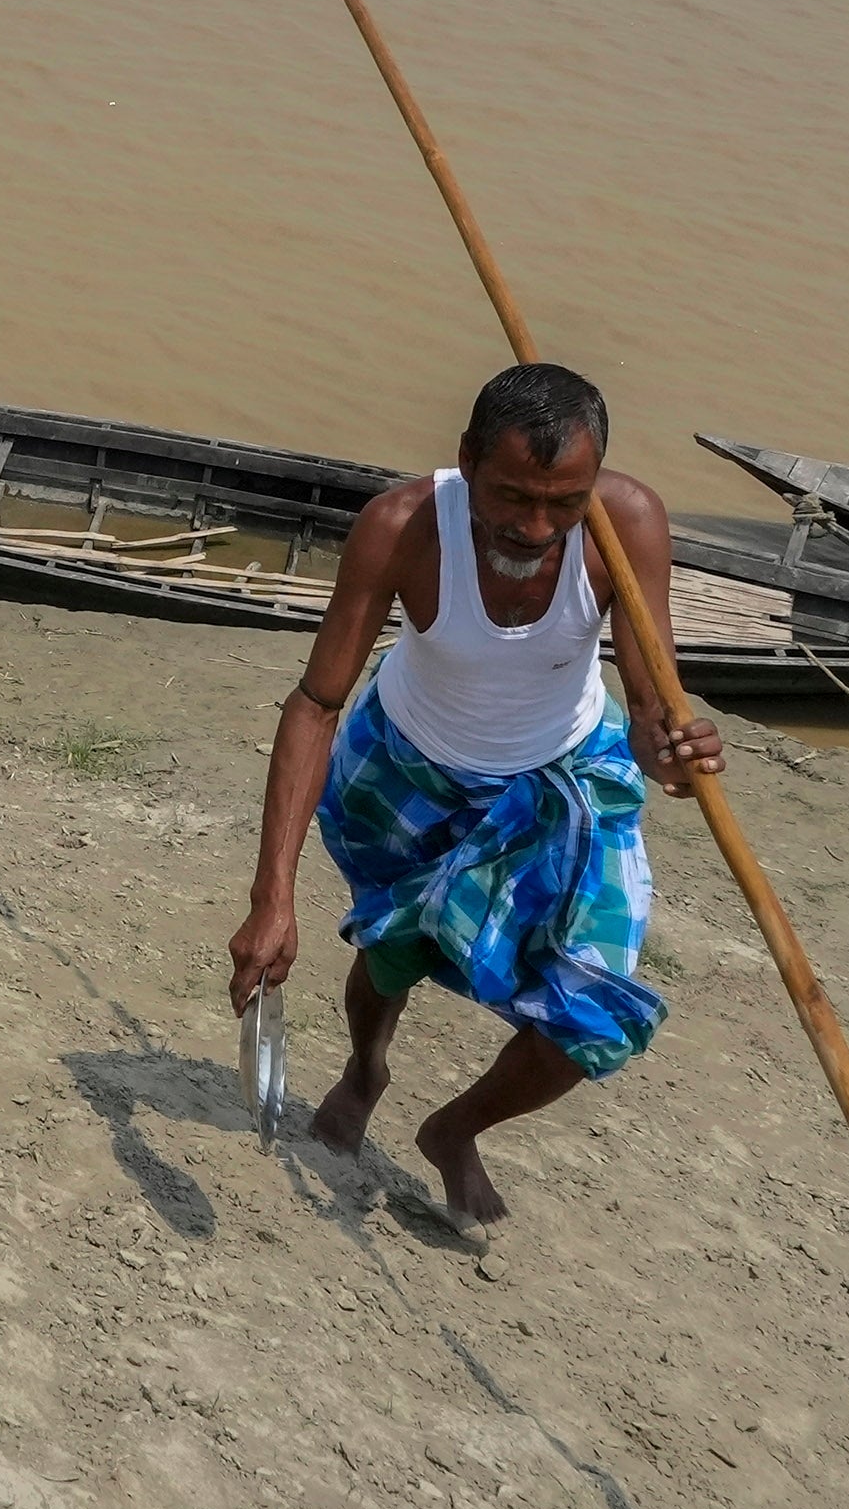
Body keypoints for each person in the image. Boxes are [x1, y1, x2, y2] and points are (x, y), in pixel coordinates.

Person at [224, 361, 729, 1237]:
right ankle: (365, 1069)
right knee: (394, 950)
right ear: (465, 461)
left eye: (563, 503)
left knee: (591, 1016)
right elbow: (315, 704)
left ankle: (454, 1128)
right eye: (511, 498)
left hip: (563, 772)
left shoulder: (628, 524)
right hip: (413, 765)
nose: (536, 527)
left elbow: (651, 711)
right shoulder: (401, 527)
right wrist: (273, 896)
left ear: (595, 481)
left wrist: (675, 753)